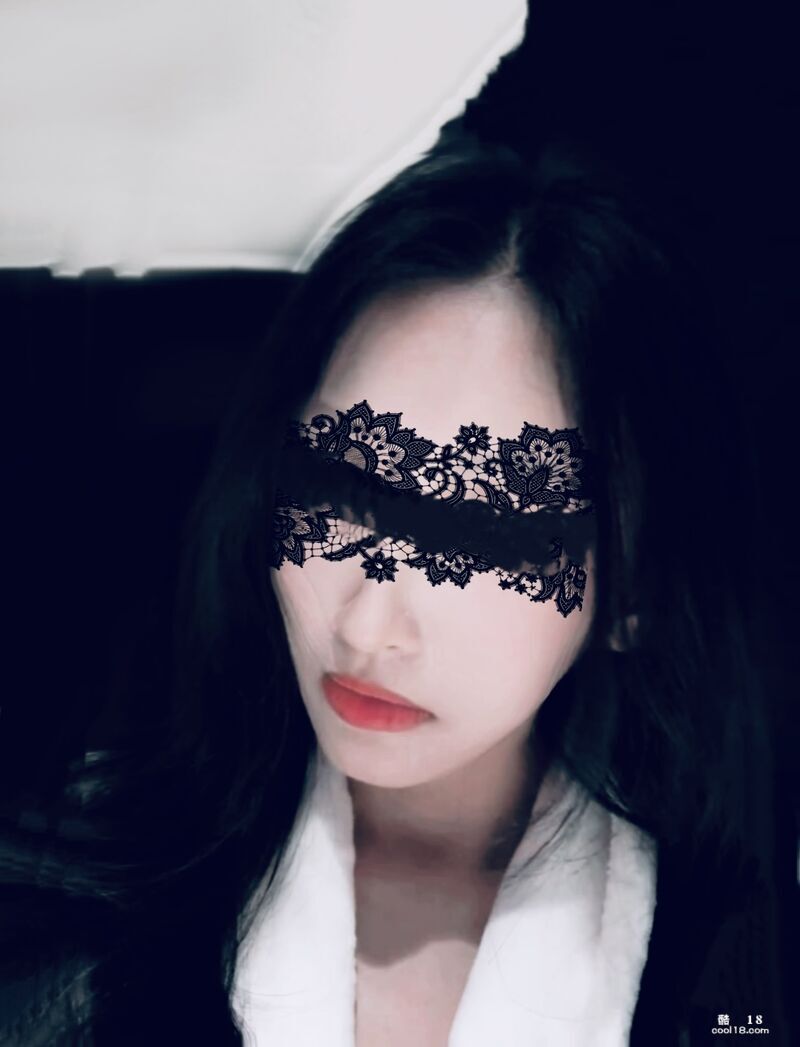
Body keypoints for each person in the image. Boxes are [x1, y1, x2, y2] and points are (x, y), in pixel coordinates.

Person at [0, 135, 792, 1045]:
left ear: (632, 590)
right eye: (340, 491)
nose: (369, 624)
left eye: (487, 537)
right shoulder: (62, 914)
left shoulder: (735, 975)